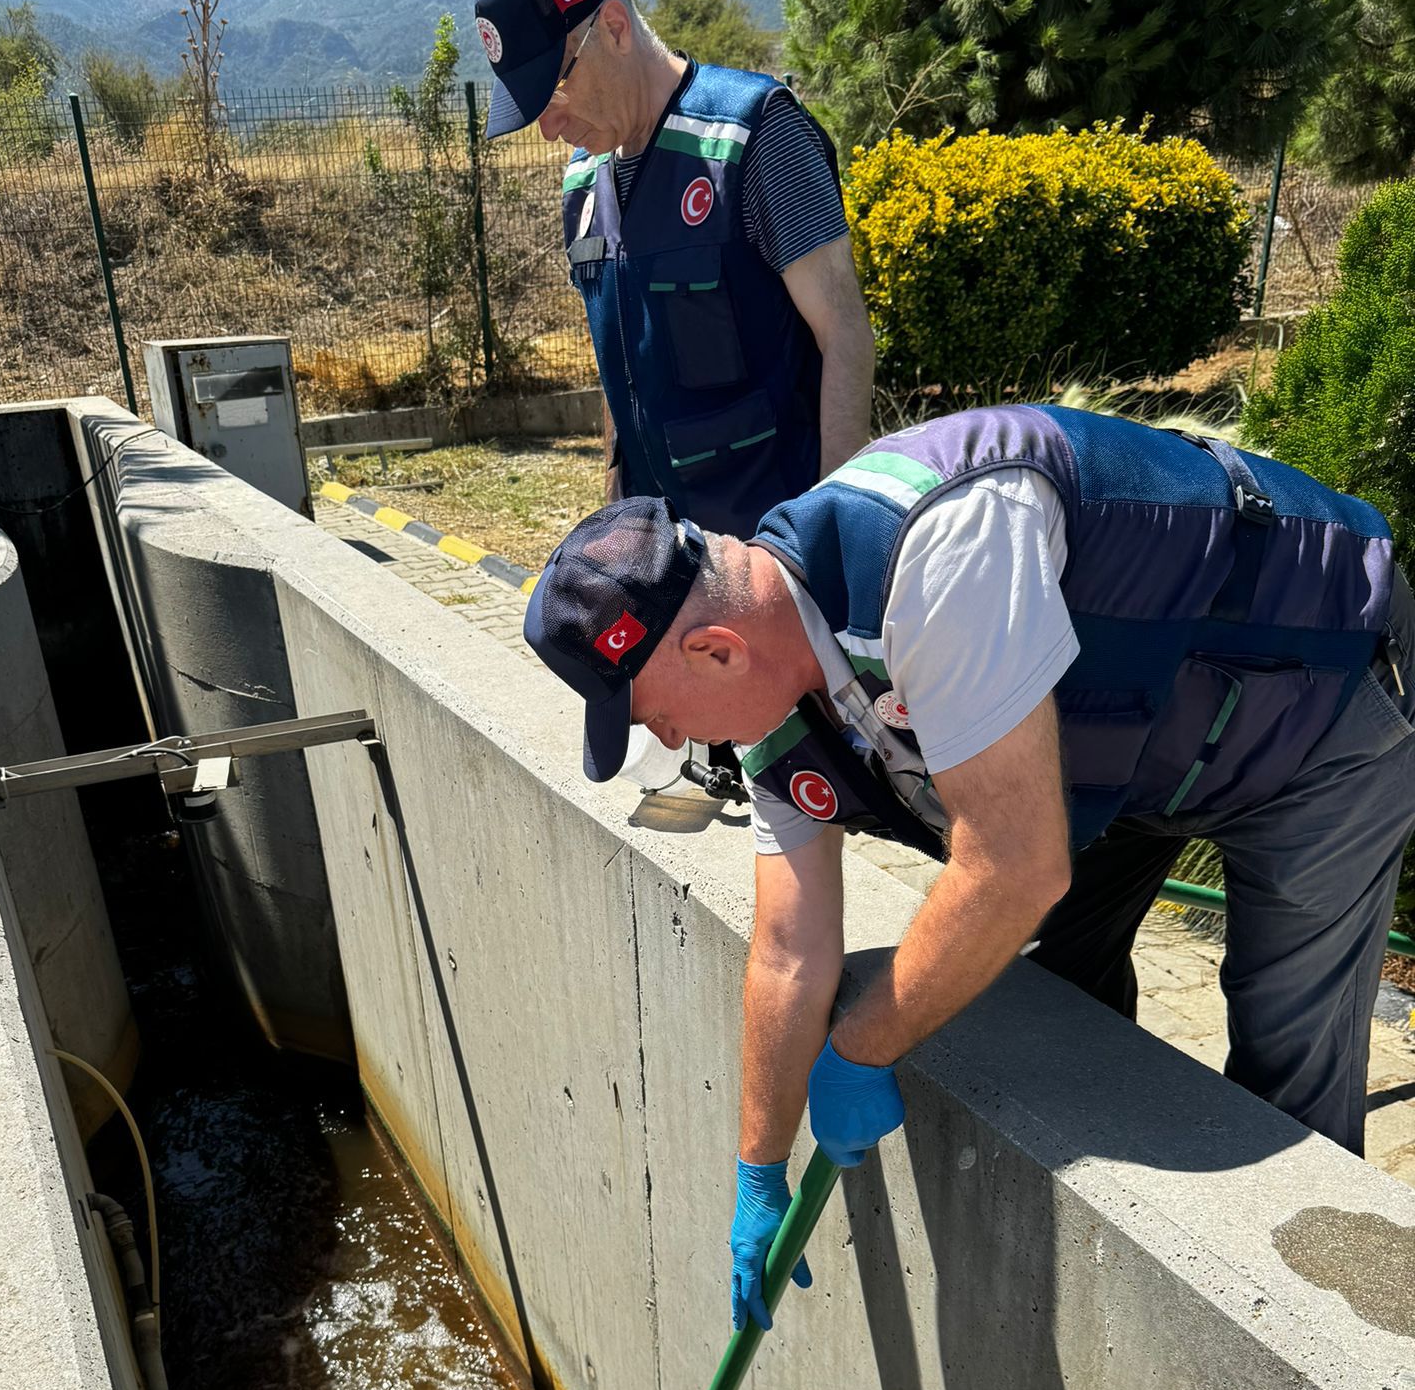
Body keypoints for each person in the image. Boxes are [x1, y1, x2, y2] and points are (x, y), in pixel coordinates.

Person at [522, 404, 1415, 1328]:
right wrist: (759, 1170)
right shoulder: (778, 704)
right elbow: (790, 950)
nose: (669, 740)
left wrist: (863, 1046)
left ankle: (1322, 1347)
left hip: (1318, 697)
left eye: (652, 714)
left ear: (716, 649)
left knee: (1286, 1067)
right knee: (1058, 1000)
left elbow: (1015, 870)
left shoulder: (939, 556)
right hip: (1134, 740)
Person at [473, 0, 875, 537]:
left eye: (553, 88)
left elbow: (845, 335)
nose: (547, 128)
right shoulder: (583, 183)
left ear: (613, 27)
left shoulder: (756, 136)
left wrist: (828, 540)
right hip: (667, 563)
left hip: (774, 550)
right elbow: (620, 367)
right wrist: (617, 530)